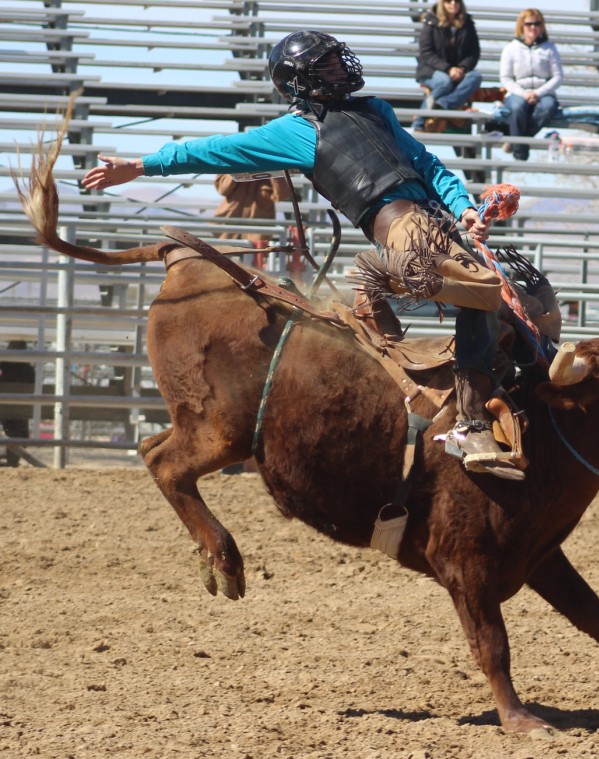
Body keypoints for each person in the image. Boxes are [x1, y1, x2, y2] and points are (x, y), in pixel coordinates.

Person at [81, 30, 522, 481]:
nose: (341, 67)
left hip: (437, 225)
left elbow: (428, 164)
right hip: (403, 230)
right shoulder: (297, 131)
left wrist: (464, 208)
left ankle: (526, 397)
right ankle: (470, 424)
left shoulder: (375, 110)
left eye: (336, 59)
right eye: (328, 63)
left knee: (523, 307)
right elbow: (216, 151)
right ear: (300, 80)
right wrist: (140, 166)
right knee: (486, 291)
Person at [499, 8, 563, 162]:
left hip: (543, 93)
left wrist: (538, 93)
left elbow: (557, 76)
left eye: (537, 23)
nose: (533, 27)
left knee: (548, 106)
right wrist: (524, 93)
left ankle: (516, 141)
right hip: (518, 92)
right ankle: (520, 155)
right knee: (517, 107)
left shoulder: (550, 48)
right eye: (529, 24)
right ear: (522, 26)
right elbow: (506, 78)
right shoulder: (511, 48)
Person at [413, 0, 483, 132]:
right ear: (442, 3)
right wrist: (448, 69)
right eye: (448, 1)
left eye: (456, 1)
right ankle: (419, 122)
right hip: (431, 70)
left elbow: (474, 53)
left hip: (458, 72)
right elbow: (426, 53)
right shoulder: (430, 22)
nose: (453, 4)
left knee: (475, 77)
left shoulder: (468, 23)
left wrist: (462, 69)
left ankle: (442, 104)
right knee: (444, 82)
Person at [0, 341, 35, 468]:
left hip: (6, 406)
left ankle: (11, 461)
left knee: (14, 433)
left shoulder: (4, 365)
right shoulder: (27, 368)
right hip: (19, 407)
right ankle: (12, 461)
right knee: (20, 435)